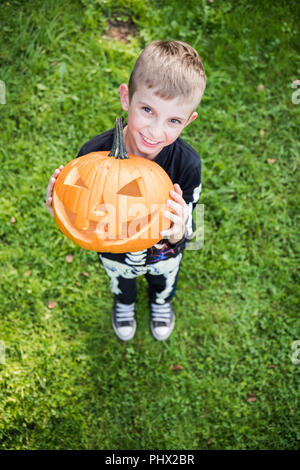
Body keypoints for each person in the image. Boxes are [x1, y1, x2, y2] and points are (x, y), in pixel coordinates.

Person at [46, 40, 206, 342]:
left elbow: (189, 221)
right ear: (126, 97)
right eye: (147, 109)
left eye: (173, 120)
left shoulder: (187, 164)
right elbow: (80, 209)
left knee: (164, 281)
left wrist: (177, 230)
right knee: (121, 281)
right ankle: (125, 302)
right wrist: (58, 204)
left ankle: (161, 303)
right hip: (113, 251)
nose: (155, 132)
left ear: (189, 120)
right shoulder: (92, 154)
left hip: (164, 254)